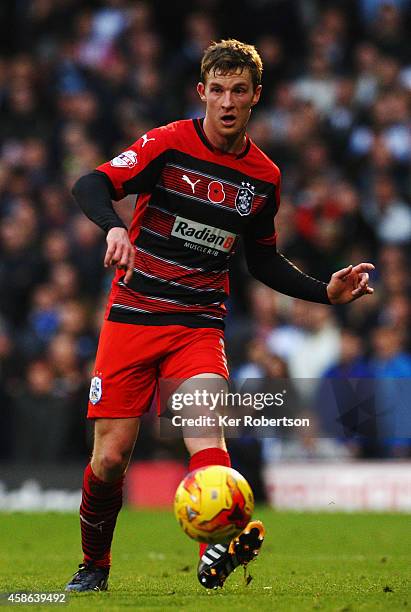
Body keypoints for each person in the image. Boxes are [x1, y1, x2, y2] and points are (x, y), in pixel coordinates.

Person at [65, 39, 374, 592]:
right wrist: (113, 224)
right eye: (217, 90)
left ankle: (214, 551)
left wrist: (325, 292)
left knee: (207, 438)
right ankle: (94, 566)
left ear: (256, 97)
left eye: (239, 91)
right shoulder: (167, 144)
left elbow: (263, 261)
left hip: (198, 325)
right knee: (110, 460)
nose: (227, 102)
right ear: (201, 93)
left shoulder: (264, 178)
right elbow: (92, 183)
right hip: (133, 316)